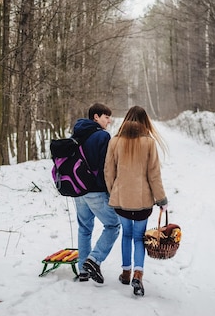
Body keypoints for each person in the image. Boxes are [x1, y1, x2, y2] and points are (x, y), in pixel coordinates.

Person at [104, 105, 168, 297]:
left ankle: (125, 274)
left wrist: (113, 191)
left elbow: (109, 171)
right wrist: (161, 199)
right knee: (139, 237)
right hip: (142, 202)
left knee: (126, 235)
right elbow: (154, 175)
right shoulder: (149, 142)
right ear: (144, 121)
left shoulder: (115, 141)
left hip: (122, 200)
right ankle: (138, 276)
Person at [72, 103, 121, 284]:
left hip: (78, 191)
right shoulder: (102, 136)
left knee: (84, 228)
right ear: (96, 117)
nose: (109, 120)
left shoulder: (77, 133)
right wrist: (111, 191)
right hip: (95, 191)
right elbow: (105, 167)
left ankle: (83, 270)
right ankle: (94, 259)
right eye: (106, 117)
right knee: (113, 225)